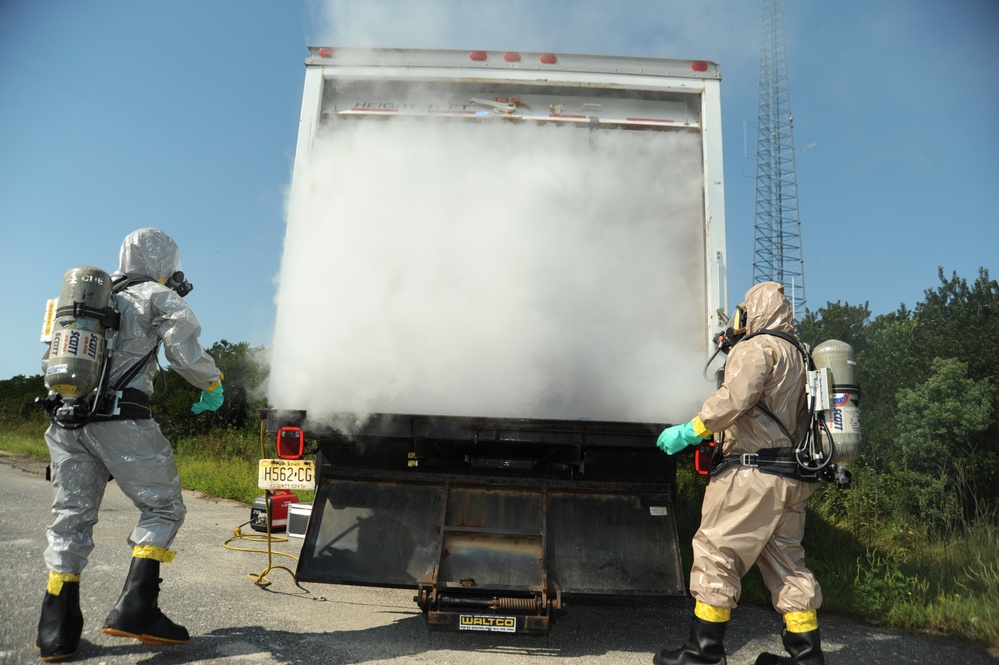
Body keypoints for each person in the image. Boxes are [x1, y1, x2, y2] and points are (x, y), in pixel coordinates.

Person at [36, 228, 224, 661]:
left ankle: (56, 630)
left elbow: (49, 359)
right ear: (163, 260)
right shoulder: (157, 296)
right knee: (162, 506)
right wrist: (212, 382)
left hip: (68, 417)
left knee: (71, 517)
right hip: (123, 419)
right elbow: (185, 354)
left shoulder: (81, 303)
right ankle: (136, 608)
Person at [652, 281, 825, 665]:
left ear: (754, 311)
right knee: (787, 565)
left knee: (716, 554)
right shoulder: (799, 354)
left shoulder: (756, 348)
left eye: (742, 312)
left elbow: (734, 400)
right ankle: (807, 659)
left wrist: (690, 431)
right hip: (791, 478)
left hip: (751, 475)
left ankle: (705, 653)